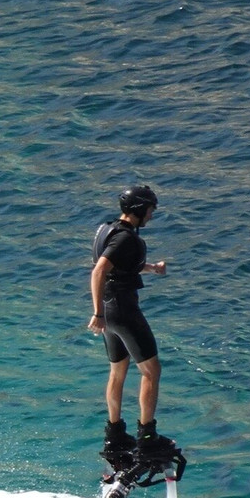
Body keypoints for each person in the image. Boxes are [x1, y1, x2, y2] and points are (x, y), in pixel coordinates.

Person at [87, 185, 176, 461]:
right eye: (150, 209)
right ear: (139, 209)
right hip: (122, 311)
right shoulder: (126, 239)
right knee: (151, 371)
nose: (151, 214)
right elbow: (99, 270)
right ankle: (147, 438)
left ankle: (114, 436)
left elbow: (117, 265)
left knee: (118, 371)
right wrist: (96, 312)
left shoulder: (108, 229)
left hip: (112, 314)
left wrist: (151, 268)